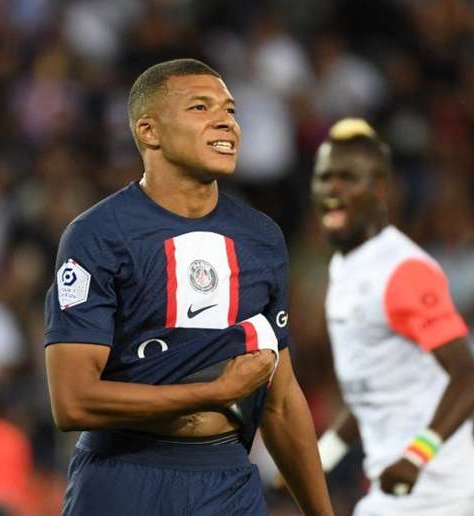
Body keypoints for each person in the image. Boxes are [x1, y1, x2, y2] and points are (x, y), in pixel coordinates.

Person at [44, 58, 332, 516]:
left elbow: (280, 399)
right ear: (149, 132)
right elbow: (72, 401)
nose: (226, 121)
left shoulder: (261, 238)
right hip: (123, 478)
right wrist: (212, 392)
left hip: (226, 480)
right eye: (201, 107)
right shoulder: (99, 234)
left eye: (231, 110)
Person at [310, 118, 474, 515]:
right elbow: (370, 392)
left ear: (380, 189)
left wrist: (416, 456)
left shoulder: (402, 270)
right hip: (398, 488)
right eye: (323, 178)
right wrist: (318, 459)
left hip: (436, 489)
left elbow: (469, 377)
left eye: (346, 178)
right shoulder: (346, 266)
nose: (331, 189)